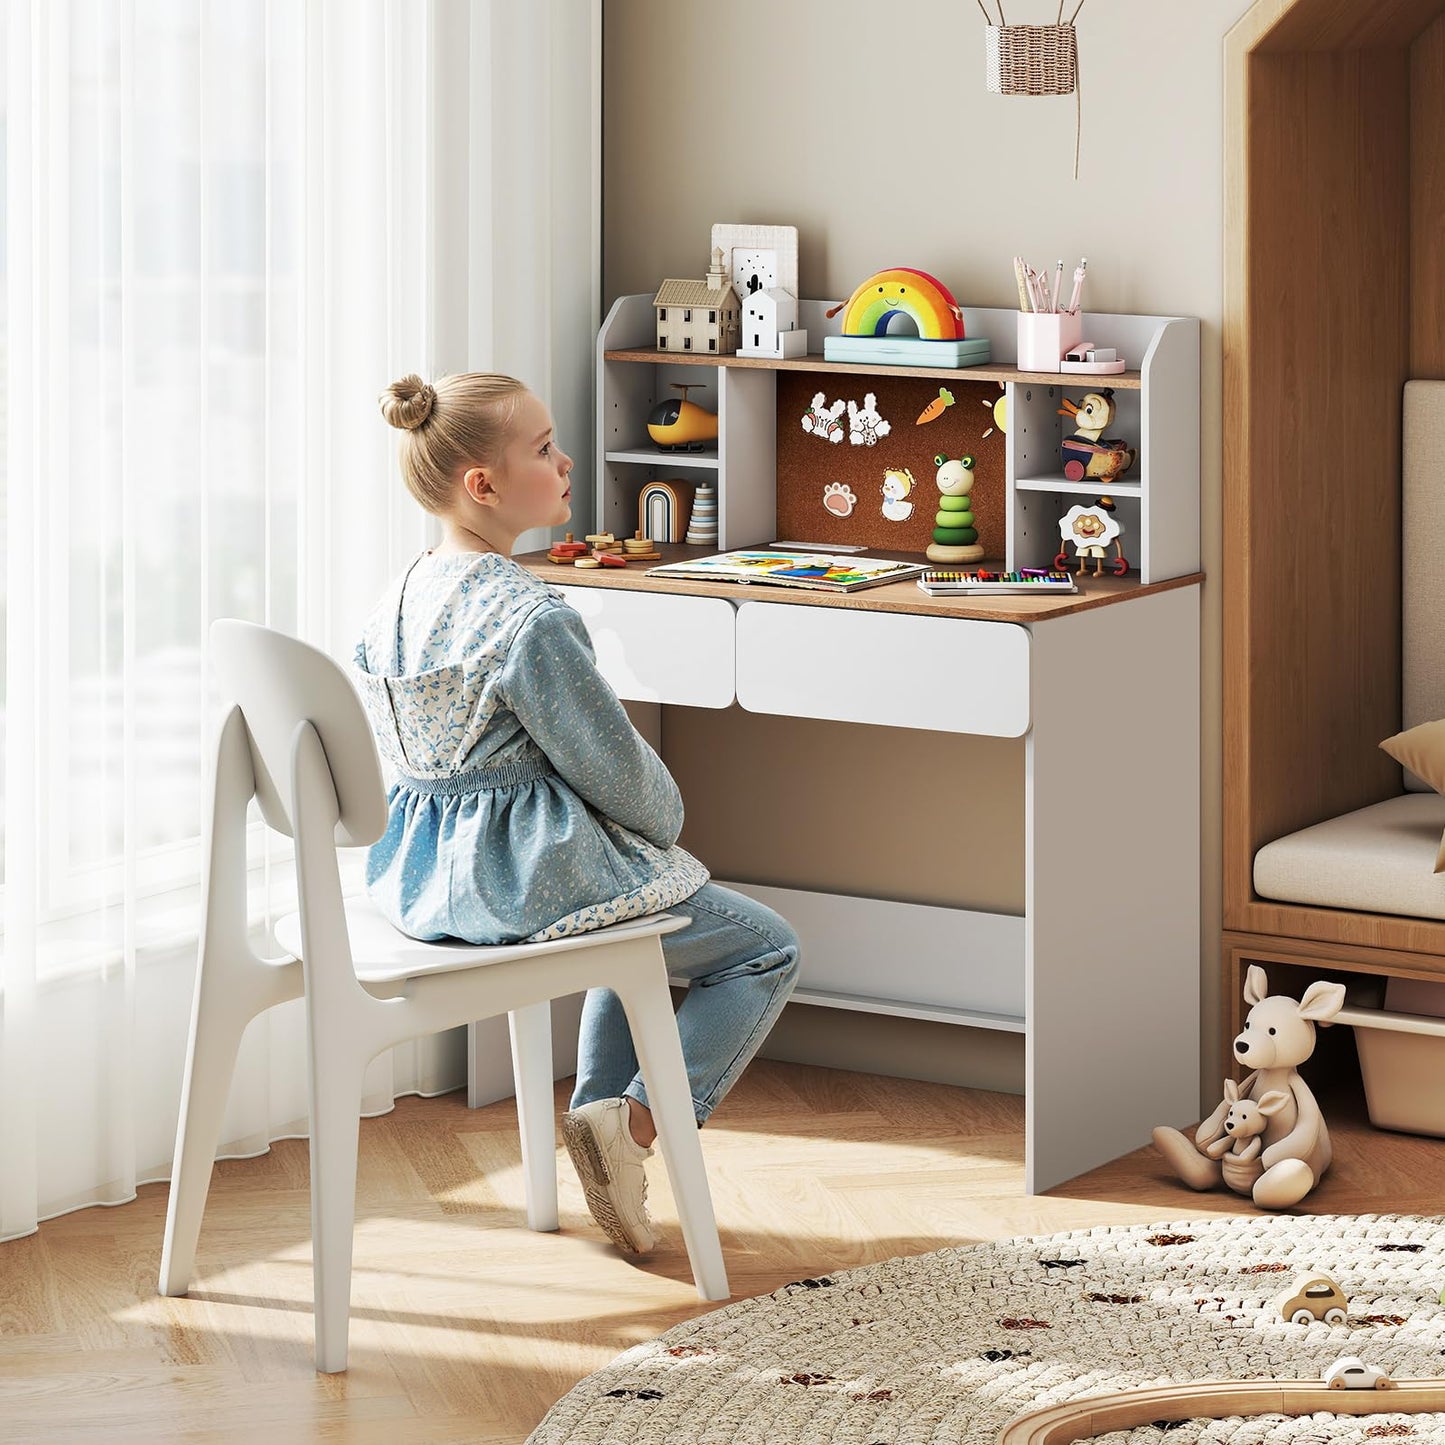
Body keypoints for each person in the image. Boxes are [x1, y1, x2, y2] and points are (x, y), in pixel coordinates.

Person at [353, 371, 800, 1257]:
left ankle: (600, 1132)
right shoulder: (530, 618)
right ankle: (627, 1126)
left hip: (418, 879)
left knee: (621, 923)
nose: (564, 462)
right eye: (544, 448)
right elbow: (622, 776)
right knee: (762, 945)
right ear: (482, 484)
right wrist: (663, 818)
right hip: (516, 882)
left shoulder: (399, 593)